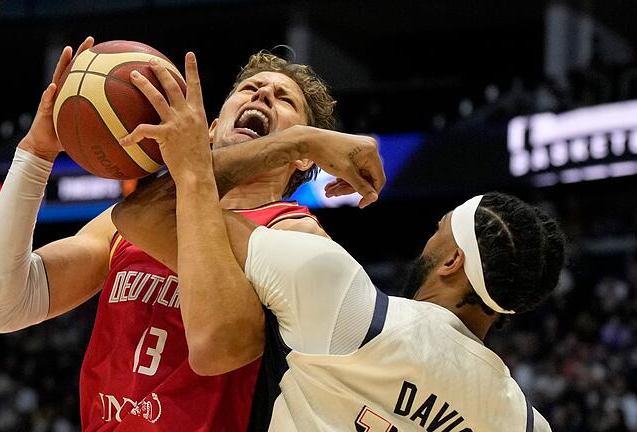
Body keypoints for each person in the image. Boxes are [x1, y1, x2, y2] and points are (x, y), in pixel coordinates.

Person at [110, 53, 564, 431]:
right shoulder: (523, 422)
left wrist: (290, 142)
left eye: (437, 231)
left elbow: (145, 212)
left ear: (452, 261)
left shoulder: (347, 304)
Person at [0, 37, 384, 431]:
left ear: (300, 160)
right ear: (210, 128)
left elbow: (221, 348)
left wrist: (297, 141)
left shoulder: (297, 235)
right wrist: (36, 154)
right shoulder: (130, 221)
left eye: (284, 99)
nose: (263, 94)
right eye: (249, 89)